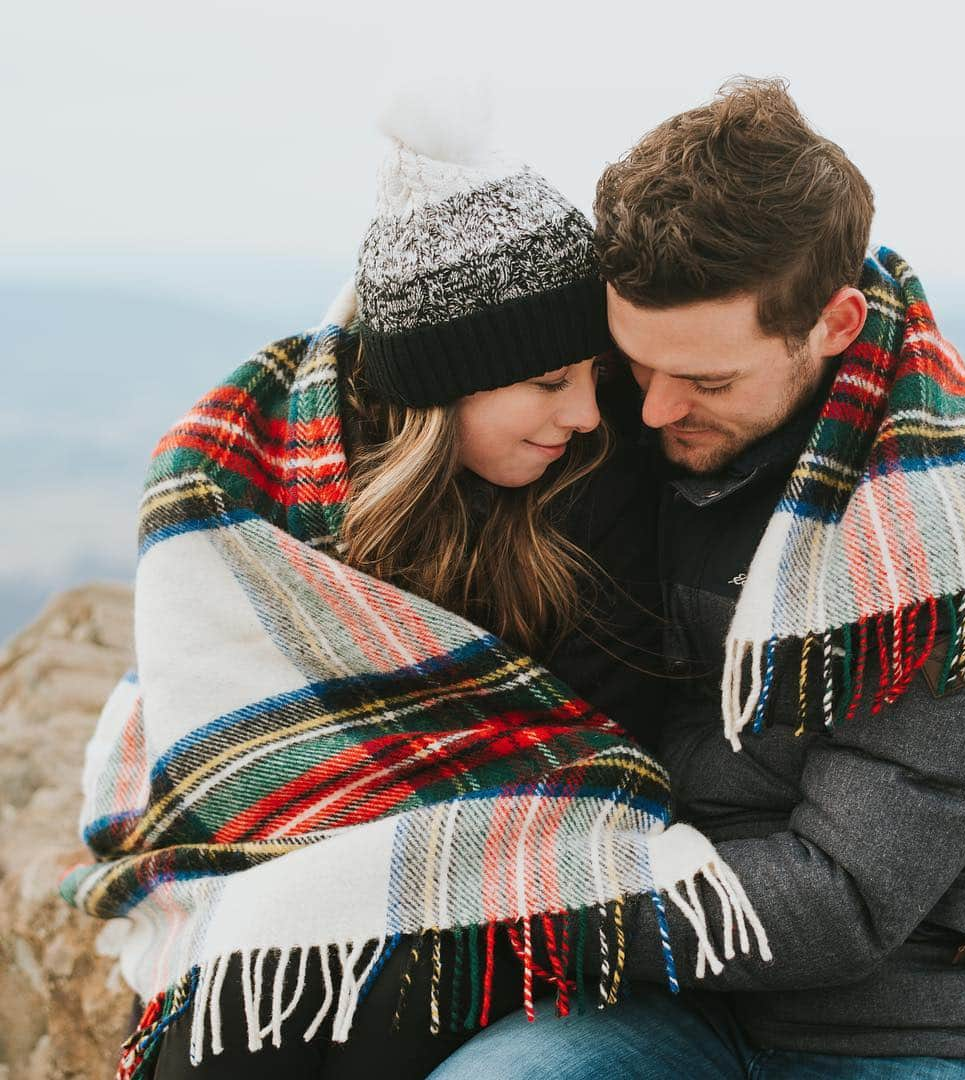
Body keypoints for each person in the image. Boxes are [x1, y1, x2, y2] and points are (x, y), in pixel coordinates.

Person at [429, 77, 965, 1079]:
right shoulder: (639, 413)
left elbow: (845, 904)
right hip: (674, 990)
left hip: (923, 1010)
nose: (649, 411)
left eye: (708, 380)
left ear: (834, 324)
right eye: (637, 364)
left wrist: (508, 903)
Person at [69, 117, 673, 1080]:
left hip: (515, 868)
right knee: (230, 1015)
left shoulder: (596, 492)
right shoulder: (256, 480)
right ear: (442, 388)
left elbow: (600, 739)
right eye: (548, 381)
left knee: (372, 992)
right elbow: (228, 712)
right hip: (298, 847)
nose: (587, 414)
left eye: (593, 376)